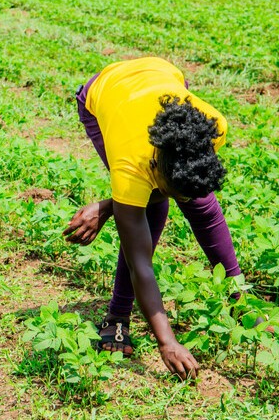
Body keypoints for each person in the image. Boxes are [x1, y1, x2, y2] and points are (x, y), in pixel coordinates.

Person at [63, 57, 244, 380]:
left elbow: (192, 194)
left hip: (162, 81)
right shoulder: (130, 161)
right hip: (105, 94)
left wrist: (109, 207)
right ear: (154, 166)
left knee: (201, 204)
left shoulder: (212, 126)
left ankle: (240, 300)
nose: (179, 201)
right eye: (168, 188)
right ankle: (117, 316)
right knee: (148, 209)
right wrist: (167, 342)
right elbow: (140, 264)